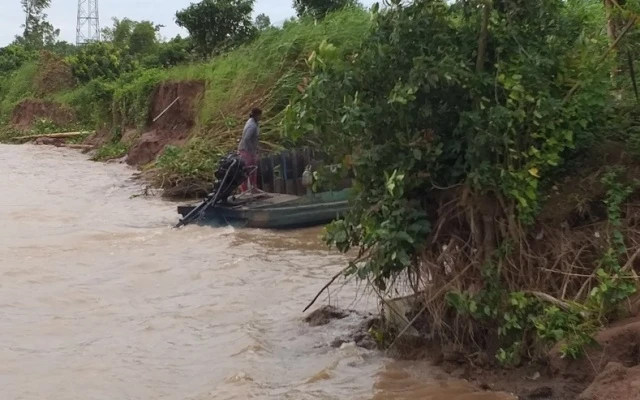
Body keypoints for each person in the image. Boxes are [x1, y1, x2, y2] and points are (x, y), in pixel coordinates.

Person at [238, 107, 262, 193]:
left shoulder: (252, 122)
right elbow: (247, 139)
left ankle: (253, 187)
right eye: (260, 116)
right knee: (247, 169)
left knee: (252, 169)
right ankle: (245, 189)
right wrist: (252, 151)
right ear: (256, 115)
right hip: (246, 150)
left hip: (247, 149)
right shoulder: (252, 126)